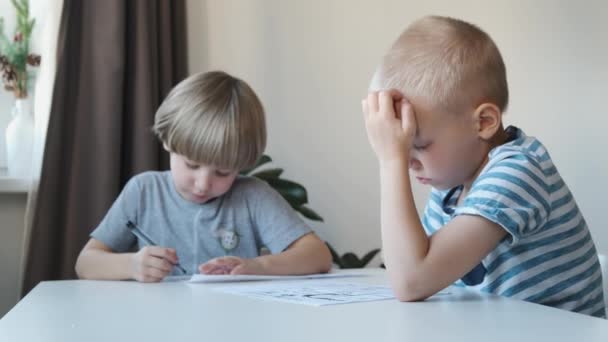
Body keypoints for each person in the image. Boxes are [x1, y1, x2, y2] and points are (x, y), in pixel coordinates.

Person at [362, 15, 605, 317]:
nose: (409, 162)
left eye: (420, 145)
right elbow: (411, 267)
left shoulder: (518, 172)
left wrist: (390, 160)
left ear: (485, 122)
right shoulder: (452, 183)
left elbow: (411, 281)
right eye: (401, 148)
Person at [75, 71, 332, 282]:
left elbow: (317, 255)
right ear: (167, 141)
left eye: (223, 172)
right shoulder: (143, 191)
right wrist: (131, 265)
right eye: (192, 165)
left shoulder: (253, 196)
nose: (203, 183)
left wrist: (259, 266)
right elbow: (86, 263)